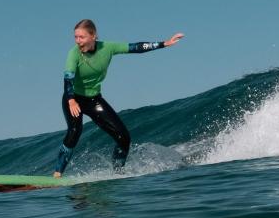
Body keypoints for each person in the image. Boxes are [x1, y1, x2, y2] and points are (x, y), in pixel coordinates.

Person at [54, 19, 184, 178]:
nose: (77, 41)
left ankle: (118, 172)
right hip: (73, 98)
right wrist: (71, 100)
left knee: (124, 137)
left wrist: (164, 43)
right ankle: (57, 174)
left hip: (94, 100)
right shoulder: (73, 54)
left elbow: (135, 47)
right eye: (76, 37)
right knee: (75, 131)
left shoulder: (107, 48)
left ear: (93, 36)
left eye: (81, 37)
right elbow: (68, 79)